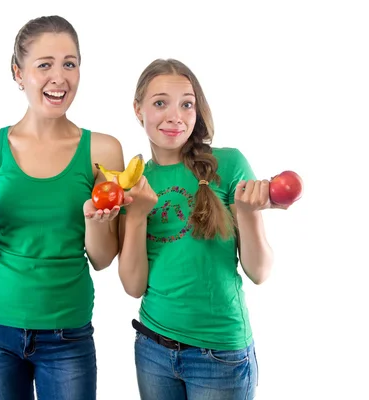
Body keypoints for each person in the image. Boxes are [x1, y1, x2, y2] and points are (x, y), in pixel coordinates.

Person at [0, 15, 128, 400]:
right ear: (18, 73)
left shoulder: (103, 150)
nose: (59, 77)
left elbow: (101, 259)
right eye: (44, 64)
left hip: (67, 334)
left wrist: (95, 220)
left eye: (70, 63)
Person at [118, 58, 288, 400]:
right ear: (138, 110)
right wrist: (135, 216)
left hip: (220, 356)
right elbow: (134, 286)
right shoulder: (133, 181)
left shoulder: (229, 164)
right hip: (153, 349)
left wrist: (248, 213)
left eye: (187, 104)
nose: (175, 116)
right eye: (160, 103)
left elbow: (260, 271)